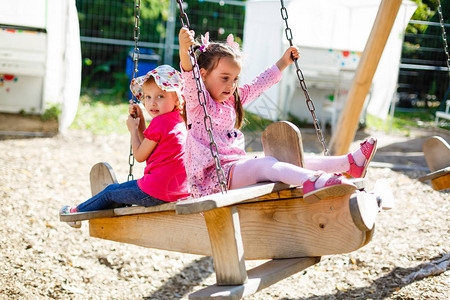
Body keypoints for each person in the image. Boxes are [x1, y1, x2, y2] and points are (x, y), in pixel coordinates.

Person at [178, 29, 377, 202]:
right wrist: (184, 50)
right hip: (214, 179)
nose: (231, 85)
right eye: (225, 78)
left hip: (233, 169)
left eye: (235, 79)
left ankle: (349, 163)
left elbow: (259, 84)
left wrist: (283, 62)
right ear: (202, 74)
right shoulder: (199, 103)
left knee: (288, 159)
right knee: (267, 164)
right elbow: (189, 76)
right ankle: (314, 181)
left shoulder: (232, 100)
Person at [60, 65, 190, 227]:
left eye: (160, 96)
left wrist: (133, 130)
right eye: (148, 97)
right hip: (177, 191)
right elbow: (150, 147)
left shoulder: (159, 123)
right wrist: (141, 121)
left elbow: (140, 155)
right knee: (118, 193)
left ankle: (75, 213)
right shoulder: (178, 120)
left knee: (110, 192)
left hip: (156, 191)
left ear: (177, 98)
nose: (152, 103)